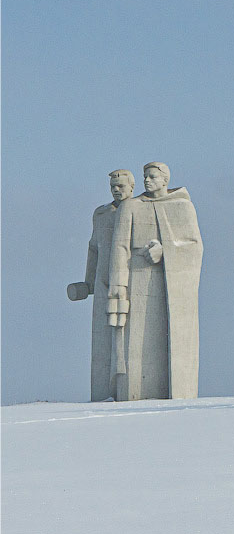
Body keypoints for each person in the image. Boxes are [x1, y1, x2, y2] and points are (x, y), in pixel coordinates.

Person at [108, 162, 203, 400]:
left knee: (170, 343)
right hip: (136, 280)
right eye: (145, 177)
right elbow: (119, 248)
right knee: (135, 344)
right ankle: (135, 394)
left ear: (165, 180)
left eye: (152, 177)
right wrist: (118, 285)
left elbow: (194, 246)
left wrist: (166, 252)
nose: (147, 181)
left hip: (171, 285)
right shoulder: (130, 207)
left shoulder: (182, 207)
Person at [67, 169, 135, 401]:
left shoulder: (138, 210)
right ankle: (104, 392)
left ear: (132, 187)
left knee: (126, 340)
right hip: (103, 283)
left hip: (130, 283)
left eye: (121, 186)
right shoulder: (102, 214)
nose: (117, 190)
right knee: (103, 339)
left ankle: (126, 389)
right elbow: (93, 248)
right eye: (113, 187)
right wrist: (89, 282)